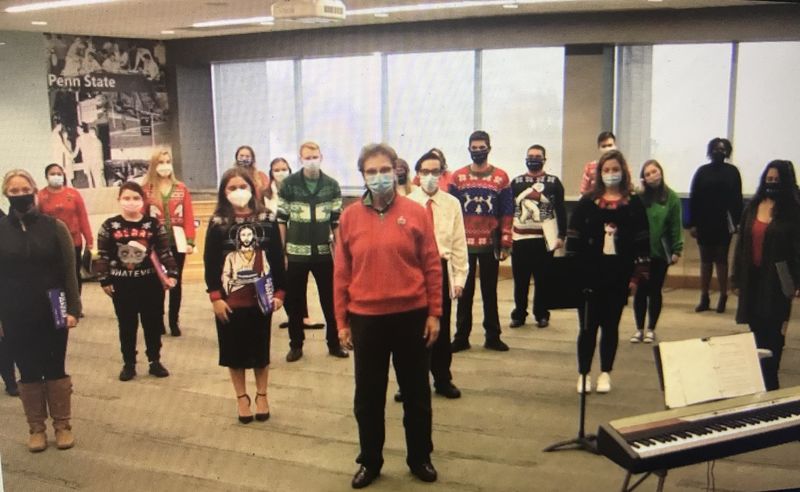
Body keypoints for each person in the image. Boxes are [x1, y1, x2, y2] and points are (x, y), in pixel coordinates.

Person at [335, 143, 442, 488]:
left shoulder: (416, 212)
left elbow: (431, 265)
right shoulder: (350, 216)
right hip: (367, 320)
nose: (379, 177)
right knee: (368, 397)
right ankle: (370, 461)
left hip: (411, 316)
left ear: (396, 170)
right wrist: (340, 322)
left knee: (416, 394)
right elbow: (341, 273)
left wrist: (435, 314)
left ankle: (420, 457)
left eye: (385, 170)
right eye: (371, 172)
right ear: (362, 176)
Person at [0, 169, 80, 452]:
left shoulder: (53, 226)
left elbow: (69, 271)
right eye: (14, 191)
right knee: (28, 369)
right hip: (14, 311)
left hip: (54, 307)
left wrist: (74, 308)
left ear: (34, 191)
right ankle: (36, 428)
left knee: (55, 366)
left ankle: (62, 425)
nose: (20, 195)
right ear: (5, 194)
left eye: (25, 190)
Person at [204, 167, 286, 423]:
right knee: (234, 352)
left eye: (243, 187)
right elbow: (210, 262)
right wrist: (216, 297)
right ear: (223, 192)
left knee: (260, 351)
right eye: (232, 188)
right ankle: (242, 397)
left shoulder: (267, 218)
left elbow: (276, 257)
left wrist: (281, 293)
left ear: (253, 189)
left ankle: (262, 395)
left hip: (261, 297)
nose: (239, 192)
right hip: (230, 299)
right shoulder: (218, 222)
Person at [566, 150, 649, 394]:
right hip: (589, 275)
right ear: (599, 174)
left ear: (623, 172)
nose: (611, 174)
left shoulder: (633, 203)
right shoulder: (586, 203)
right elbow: (574, 238)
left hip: (618, 275)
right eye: (606, 170)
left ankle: (605, 372)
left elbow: (642, 240)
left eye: (615, 170)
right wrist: (573, 272)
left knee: (610, 327)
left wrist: (637, 276)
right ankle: (583, 373)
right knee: (587, 327)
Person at [397, 150, 468, 401]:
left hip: (440, 268)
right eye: (424, 172)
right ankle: (409, 382)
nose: (429, 176)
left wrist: (459, 279)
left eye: (434, 171)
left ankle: (442, 378)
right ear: (417, 175)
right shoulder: (405, 204)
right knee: (411, 330)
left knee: (441, 326)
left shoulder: (452, 204)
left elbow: (459, 244)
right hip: (412, 270)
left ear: (442, 174)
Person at [95, 182, 177, 382]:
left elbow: (165, 251)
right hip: (123, 284)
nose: (131, 202)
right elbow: (102, 255)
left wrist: (172, 273)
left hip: (150, 283)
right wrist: (104, 280)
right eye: (126, 198)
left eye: (135, 198)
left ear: (143, 200)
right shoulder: (109, 225)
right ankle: (129, 363)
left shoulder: (153, 224)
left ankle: (154, 361)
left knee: (152, 323)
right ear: (119, 200)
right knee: (127, 324)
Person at [732, 160, 800, 391]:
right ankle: (758, 385)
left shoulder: (793, 211)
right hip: (752, 280)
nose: (772, 184)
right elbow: (741, 244)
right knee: (756, 336)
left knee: (774, 337)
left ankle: (771, 385)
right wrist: (736, 278)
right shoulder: (752, 207)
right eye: (768, 179)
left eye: (776, 181)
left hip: (779, 281)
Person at [278, 141, 348, 362]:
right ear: (300, 159)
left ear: (321, 157)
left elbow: (336, 222)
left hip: (324, 254)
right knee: (295, 301)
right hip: (296, 254)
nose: (311, 160)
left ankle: (334, 343)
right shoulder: (288, 185)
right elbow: (281, 220)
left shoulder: (332, 185)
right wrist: (282, 253)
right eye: (307, 157)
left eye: (315, 156)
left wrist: (340, 253)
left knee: (330, 300)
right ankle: (296, 345)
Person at [449, 130, 513, 352]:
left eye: (481, 147)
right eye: (474, 148)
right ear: (468, 149)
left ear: (489, 148)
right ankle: (461, 337)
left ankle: (493, 336)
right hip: (463, 244)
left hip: (490, 243)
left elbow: (507, 210)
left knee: (490, 291)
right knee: (463, 292)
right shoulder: (457, 178)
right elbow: (452, 212)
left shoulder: (501, 178)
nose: (478, 152)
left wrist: (506, 241)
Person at [509, 144, 567, 329]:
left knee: (543, 280)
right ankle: (519, 314)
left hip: (545, 240)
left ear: (544, 159)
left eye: (537, 156)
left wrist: (562, 235)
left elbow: (561, 210)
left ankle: (542, 314)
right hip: (520, 239)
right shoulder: (516, 182)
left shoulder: (553, 182)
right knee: (520, 280)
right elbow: (510, 210)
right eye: (530, 156)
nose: (533, 159)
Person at [266, 158, 324, 331]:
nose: (281, 172)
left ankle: (303, 317)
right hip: (275, 241)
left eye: (284, 169)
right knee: (285, 281)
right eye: (277, 169)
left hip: (298, 239)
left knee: (298, 281)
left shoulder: (297, 189)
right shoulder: (266, 194)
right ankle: (293, 317)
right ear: (271, 172)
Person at [143, 149, 196, 337]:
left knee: (176, 281)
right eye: (160, 162)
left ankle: (174, 320)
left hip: (177, 241)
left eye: (167, 161)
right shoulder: (146, 189)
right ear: (153, 166)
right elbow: (142, 217)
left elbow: (189, 216)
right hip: (155, 243)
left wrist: (190, 240)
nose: (165, 166)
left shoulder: (181, 188)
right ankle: (158, 319)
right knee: (157, 282)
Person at [630, 160, 683, 344]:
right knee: (640, 291)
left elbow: (676, 225)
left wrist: (677, 248)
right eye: (648, 173)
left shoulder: (672, 198)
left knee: (655, 290)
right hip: (640, 252)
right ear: (643, 178)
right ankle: (639, 328)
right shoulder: (639, 197)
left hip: (661, 252)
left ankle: (651, 328)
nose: (652, 176)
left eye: (655, 171)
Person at [688, 137, 743, 313]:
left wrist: (737, 221)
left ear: (727, 152)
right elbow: (694, 197)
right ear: (710, 151)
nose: (719, 152)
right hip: (704, 220)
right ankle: (704, 297)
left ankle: (723, 296)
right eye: (715, 149)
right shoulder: (702, 171)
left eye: (722, 149)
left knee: (721, 258)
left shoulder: (733, 171)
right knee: (705, 260)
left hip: (723, 222)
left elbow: (737, 199)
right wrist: (692, 223)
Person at [37, 163, 93, 296]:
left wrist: (89, 240)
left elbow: (83, 217)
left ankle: (75, 304)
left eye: (59, 173)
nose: (56, 176)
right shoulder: (40, 196)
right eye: (52, 173)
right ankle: (57, 304)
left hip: (74, 241)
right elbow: (37, 221)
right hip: (50, 242)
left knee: (73, 274)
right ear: (46, 176)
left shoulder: (73, 194)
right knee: (54, 274)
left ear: (63, 176)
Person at [579, 131, 618, 196]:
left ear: (615, 146)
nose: (607, 148)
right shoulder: (590, 167)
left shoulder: (622, 166)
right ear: (599, 148)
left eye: (610, 145)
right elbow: (583, 191)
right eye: (604, 146)